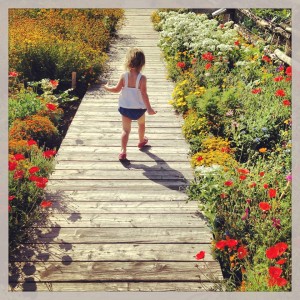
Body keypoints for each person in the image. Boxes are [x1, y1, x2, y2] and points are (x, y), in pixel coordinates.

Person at [103, 47, 157, 160]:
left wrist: (107, 88)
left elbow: (116, 89)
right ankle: (141, 141)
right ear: (142, 63)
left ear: (128, 61)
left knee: (125, 130)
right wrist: (149, 109)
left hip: (125, 108)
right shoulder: (142, 78)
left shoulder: (124, 76)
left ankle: (123, 151)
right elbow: (144, 94)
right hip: (139, 108)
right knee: (141, 124)